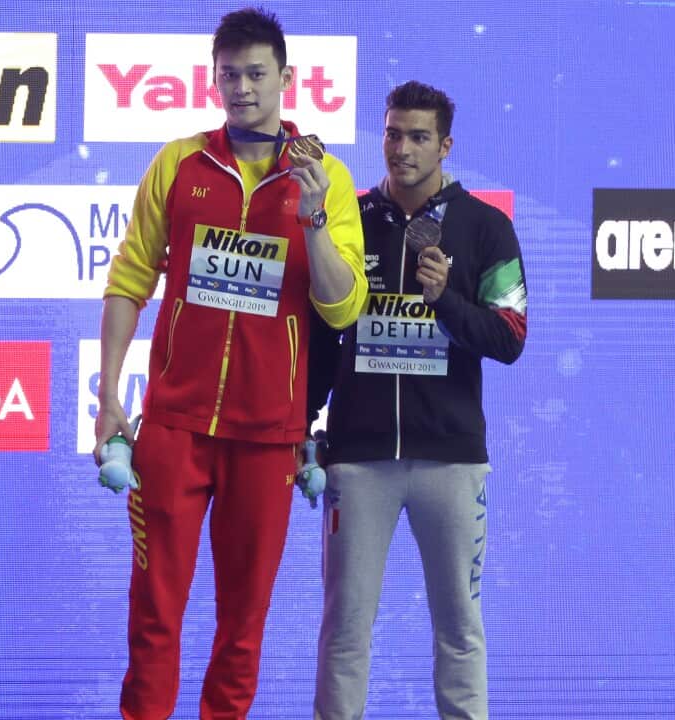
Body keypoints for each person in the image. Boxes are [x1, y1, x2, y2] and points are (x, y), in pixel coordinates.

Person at [92, 6, 368, 719]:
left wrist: (311, 216)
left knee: (242, 630)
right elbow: (128, 281)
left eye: (255, 74)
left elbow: (341, 309)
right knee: (153, 618)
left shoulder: (327, 179)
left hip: (268, 436)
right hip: (174, 430)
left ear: (287, 78)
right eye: (229, 75)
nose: (241, 88)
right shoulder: (181, 162)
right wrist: (108, 396)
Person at [306, 80, 528, 720]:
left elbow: (510, 338)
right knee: (344, 628)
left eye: (419, 137)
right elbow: (325, 333)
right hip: (358, 456)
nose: (401, 148)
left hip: (453, 462)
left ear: (446, 145)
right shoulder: (349, 217)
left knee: (460, 628)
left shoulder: (487, 226)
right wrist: (304, 423)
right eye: (393, 133)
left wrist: (445, 302)